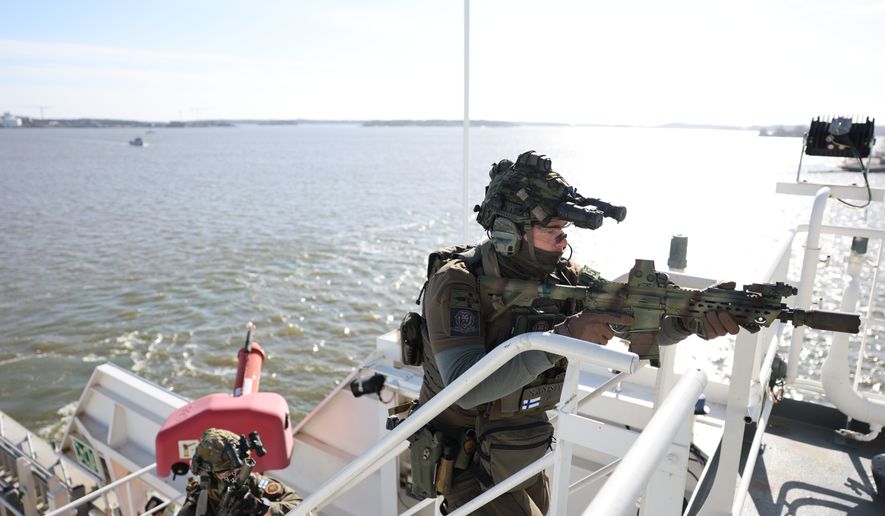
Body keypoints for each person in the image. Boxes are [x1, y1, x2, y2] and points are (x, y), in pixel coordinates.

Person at [417, 150, 739, 515]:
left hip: (522, 444)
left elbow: (630, 321)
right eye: (551, 231)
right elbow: (467, 388)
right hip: (466, 456)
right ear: (510, 233)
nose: (562, 242)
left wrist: (686, 321)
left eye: (564, 231)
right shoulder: (458, 283)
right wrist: (565, 335)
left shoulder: (565, 275)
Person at [177, 428, 302, 516]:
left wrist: (262, 508)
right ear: (210, 473)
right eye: (226, 472)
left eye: (239, 469)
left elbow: (306, 509)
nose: (235, 475)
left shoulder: (257, 484)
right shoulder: (200, 503)